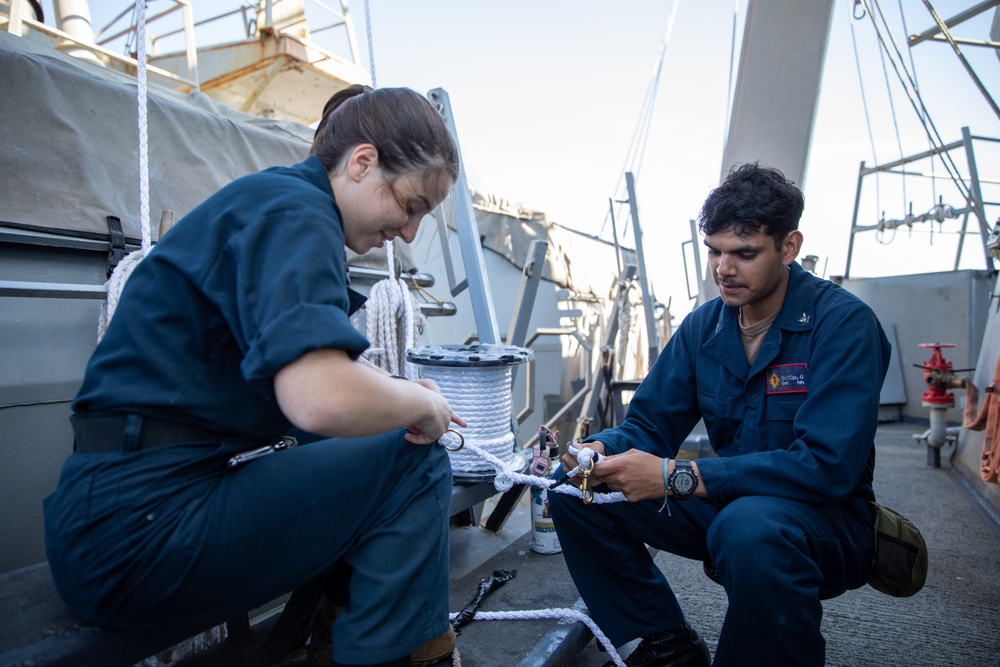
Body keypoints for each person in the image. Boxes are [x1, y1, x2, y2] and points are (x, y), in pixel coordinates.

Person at [44, 84, 465, 667]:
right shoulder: (297, 213)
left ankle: (344, 637)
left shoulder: (273, 206)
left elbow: (311, 395)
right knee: (417, 466)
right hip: (140, 534)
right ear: (362, 162)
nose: (412, 231)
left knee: (383, 444)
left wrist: (391, 403)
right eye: (412, 204)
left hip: (114, 523)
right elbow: (316, 397)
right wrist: (422, 407)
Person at [549, 162, 891, 667]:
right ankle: (664, 647)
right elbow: (649, 426)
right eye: (714, 250)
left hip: (827, 518)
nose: (723, 268)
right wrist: (601, 451)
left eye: (744, 254)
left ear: (789, 247)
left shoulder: (844, 325)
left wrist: (674, 477)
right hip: (731, 503)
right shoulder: (703, 327)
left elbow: (826, 467)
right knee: (573, 490)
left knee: (750, 528)